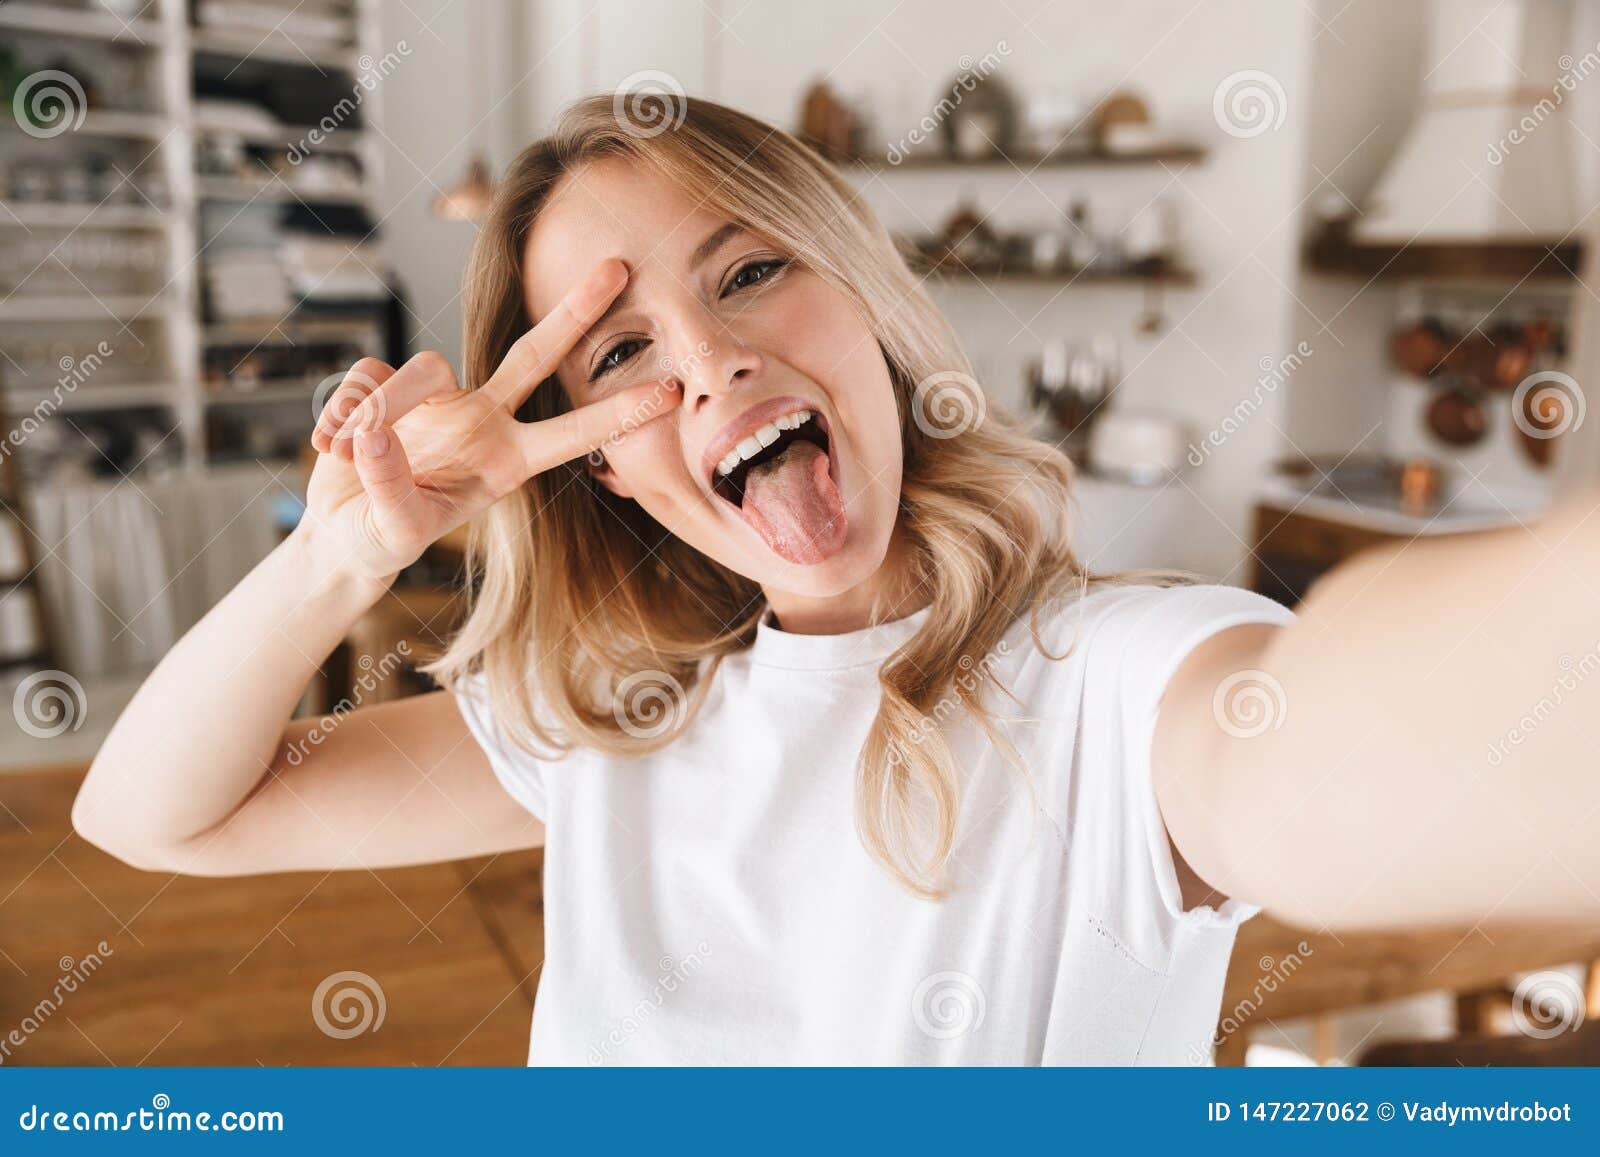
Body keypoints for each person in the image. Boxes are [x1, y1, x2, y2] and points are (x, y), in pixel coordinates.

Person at [73, 96, 1600, 1065]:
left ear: (867, 308)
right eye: (619, 354)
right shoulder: (612, 720)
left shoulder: (1115, 681)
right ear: (599, 461)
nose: (712, 355)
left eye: (747, 273)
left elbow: (1331, 737)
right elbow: (150, 811)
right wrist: (345, 548)